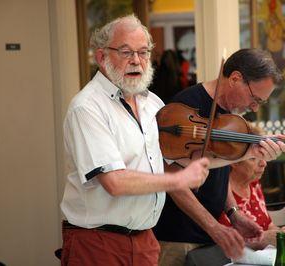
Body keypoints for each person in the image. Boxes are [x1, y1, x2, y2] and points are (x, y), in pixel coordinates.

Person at [59, 14, 211, 266]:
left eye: (143, 52)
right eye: (126, 51)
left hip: (145, 241)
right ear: (101, 57)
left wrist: (247, 152)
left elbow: (171, 163)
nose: (136, 61)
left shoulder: (153, 103)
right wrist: (178, 179)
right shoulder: (86, 108)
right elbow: (115, 182)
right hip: (98, 244)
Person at [154, 48, 285, 265]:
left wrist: (233, 213)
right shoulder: (185, 106)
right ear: (235, 78)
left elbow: (221, 168)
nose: (254, 108)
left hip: (212, 237)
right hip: (178, 239)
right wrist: (214, 226)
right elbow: (173, 181)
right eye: (255, 98)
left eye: (261, 103)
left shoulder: (229, 117)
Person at [219, 127, 285, 250]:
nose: (263, 163)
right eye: (253, 158)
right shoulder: (220, 191)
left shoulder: (254, 184)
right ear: (234, 161)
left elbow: (269, 225)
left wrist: (283, 232)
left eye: (263, 156)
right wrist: (263, 239)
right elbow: (222, 242)